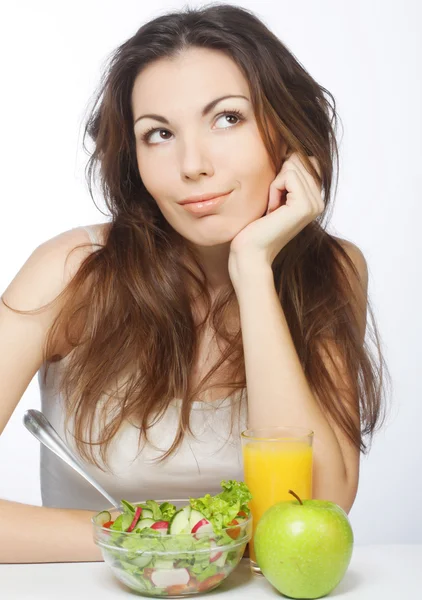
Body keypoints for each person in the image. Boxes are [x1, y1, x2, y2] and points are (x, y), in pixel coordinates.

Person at [0, 3, 389, 564]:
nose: (192, 164)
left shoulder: (333, 269)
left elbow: (309, 508)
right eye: (158, 133)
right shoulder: (74, 272)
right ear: (133, 159)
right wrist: (157, 535)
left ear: (285, 126)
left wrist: (253, 271)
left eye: (228, 118)